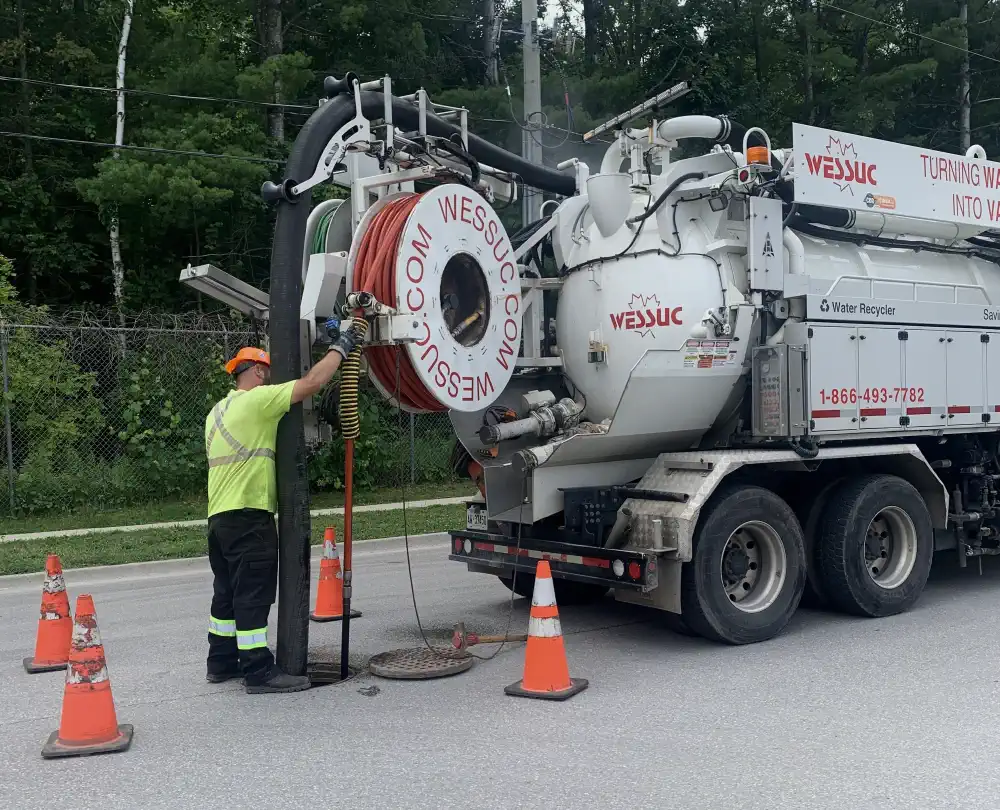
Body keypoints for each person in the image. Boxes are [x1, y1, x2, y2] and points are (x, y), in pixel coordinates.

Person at [204, 320, 366, 694]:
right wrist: (340, 347)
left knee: (225, 592)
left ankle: (221, 662)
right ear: (259, 371)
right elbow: (311, 384)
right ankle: (259, 672)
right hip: (250, 515)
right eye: (269, 373)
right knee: (253, 594)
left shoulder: (215, 413)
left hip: (219, 519)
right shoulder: (259, 401)